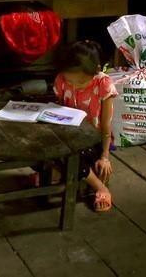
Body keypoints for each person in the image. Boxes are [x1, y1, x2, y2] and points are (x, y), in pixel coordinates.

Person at [53, 41, 117, 212]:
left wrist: (104, 156)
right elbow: (59, 110)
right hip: (67, 135)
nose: (74, 86)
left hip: (93, 140)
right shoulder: (60, 80)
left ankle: (99, 187)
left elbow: (105, 125)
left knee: (73, 157)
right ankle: (61, 172)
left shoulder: (103, 84)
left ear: (95, 71)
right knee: (49, 149)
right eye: (69, 81)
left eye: (80, 82)